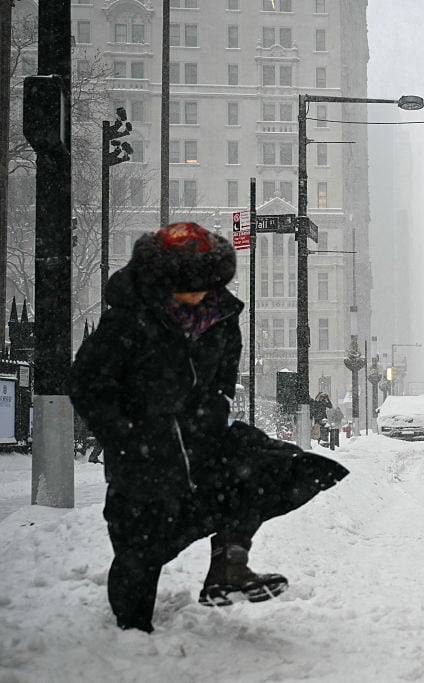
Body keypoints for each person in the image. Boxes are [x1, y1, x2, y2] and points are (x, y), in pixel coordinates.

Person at [69, 222, 349, 633]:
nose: (200, 296)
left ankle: (229, 566)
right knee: (140, 552)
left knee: (264, 469)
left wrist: (215, 408)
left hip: (204, 442)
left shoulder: (220, 316)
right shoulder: (129, 321)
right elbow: (86, 384)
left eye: (207, 286)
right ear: (164, 283)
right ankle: (131, 636)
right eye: (189, 288)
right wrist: (126, 435)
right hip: (145, 456)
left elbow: (222, 375)